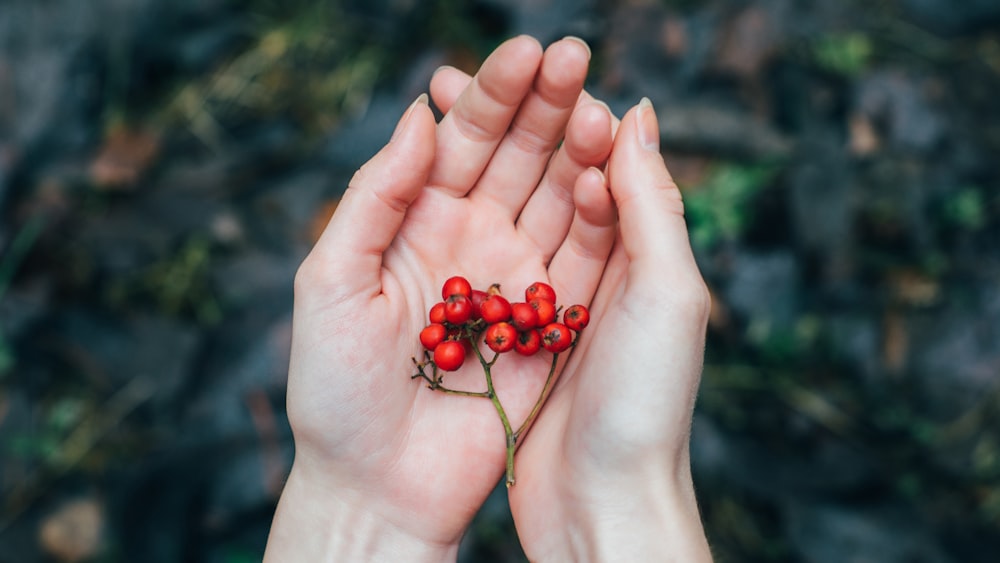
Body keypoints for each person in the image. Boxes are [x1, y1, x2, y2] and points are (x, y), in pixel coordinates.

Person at [263, 35, 713, 562]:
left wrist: (354, 508)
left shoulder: (493, 333)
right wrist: (621, 507)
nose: (481, 326)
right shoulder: (480, 335)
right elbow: (479, 329)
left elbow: (490, 327)